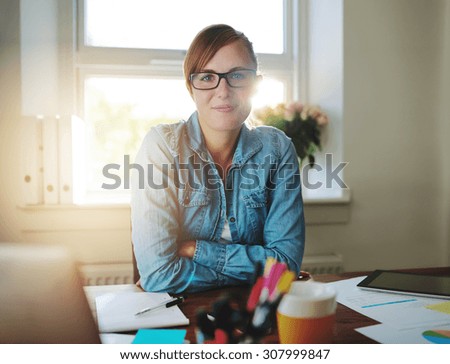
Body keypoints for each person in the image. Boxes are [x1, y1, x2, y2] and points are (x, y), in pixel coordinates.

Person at [131, 24, 305, 294]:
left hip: (253, 314)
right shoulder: (162, 147)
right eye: (207, 77)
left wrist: (196, 250)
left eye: (237, 75)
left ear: (256, 84)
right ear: (192, 87)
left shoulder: (278, 149)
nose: (223, 91)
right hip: (178, 312)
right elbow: (159, 275)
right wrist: (257, 273)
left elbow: (286, 267)